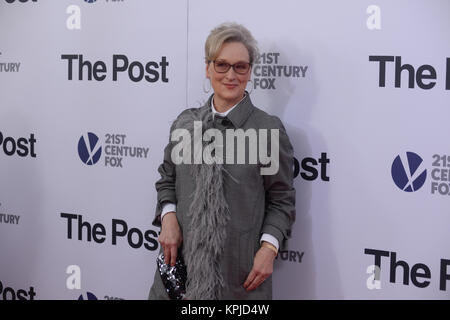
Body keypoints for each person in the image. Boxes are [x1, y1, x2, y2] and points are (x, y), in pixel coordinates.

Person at [148, 22, 296, 300]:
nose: (231, 75)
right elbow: (167, 179)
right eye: (222, 65)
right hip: (179, 274)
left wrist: (269, 248)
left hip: (239, 278)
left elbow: (282, 199)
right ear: (208, 68)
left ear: (250, 71)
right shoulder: (185, 124)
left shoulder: (268, 131)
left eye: (240, 66)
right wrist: (168, 216)